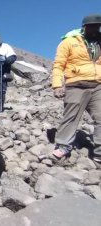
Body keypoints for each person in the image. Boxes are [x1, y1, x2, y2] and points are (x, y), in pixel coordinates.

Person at [51, 14, 101, 164]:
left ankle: (99, 153)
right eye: (92, 26)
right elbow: (58, 64)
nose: (96, 29)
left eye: (98, 26)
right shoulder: (69, 42)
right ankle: (63, 145)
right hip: (75, 84)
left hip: (98, 85)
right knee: (71, 117)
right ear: (84, 27)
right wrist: (57, 85)